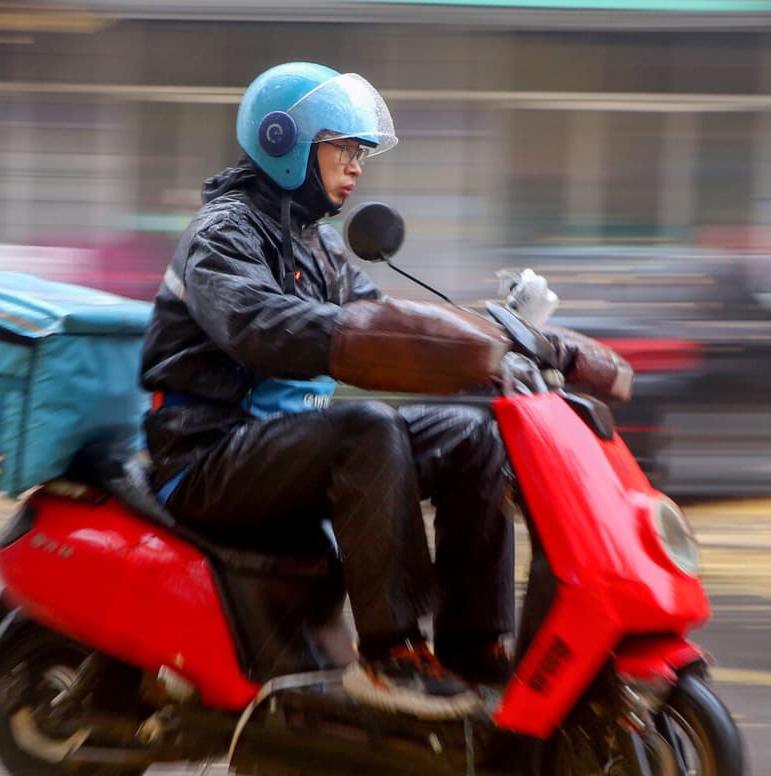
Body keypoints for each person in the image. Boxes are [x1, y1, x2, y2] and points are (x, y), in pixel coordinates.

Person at [138, 62, 512, 719]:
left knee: (471, 434)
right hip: (204, 456)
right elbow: (257, 325)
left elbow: (381, 322)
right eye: (344, 148)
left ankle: (472, 645)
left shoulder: (320, 245)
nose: (358, 165)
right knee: (365, 428)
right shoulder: (225, 233)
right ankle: (390, 656)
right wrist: (361, 337)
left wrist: (490, 345)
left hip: (277, 447)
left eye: (361, 151)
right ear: (285, 143)